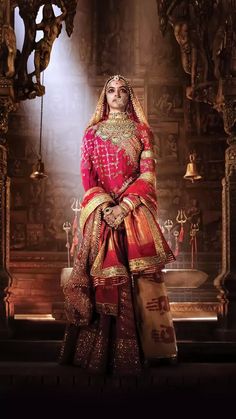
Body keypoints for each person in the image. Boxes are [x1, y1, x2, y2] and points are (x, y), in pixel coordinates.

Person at [59, 75, 177, 375]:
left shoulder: (142, 132)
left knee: (142, 283)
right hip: (101, 215)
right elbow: (87, 178)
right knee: (103, 279)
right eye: (111, 91)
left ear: (130, 97)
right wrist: (104, 208)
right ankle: (97, 353)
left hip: (133, 214)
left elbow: (148, 175)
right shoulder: (91, 134)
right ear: (104, 97)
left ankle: (150, 350)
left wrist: (124, 206)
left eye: (122, 91)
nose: (116, 95)